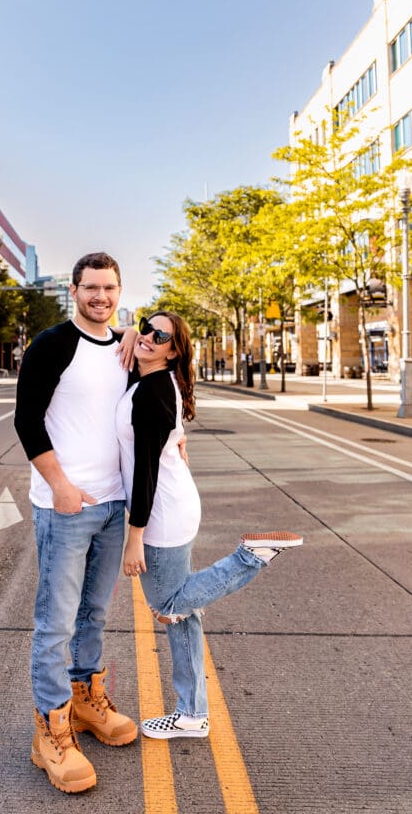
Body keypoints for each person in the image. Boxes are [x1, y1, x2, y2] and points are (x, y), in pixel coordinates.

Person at [117, 311, 303, 740]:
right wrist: (130, 331)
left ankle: (248, 558)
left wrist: (135, 537)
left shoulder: (152, 391)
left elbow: (145, 470)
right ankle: (192, 715)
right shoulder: (152, 383)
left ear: (174, 350)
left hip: (162, 512)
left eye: (158, 334)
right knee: (182, 614)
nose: (147, 335)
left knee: (168, 608)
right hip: (174, 502)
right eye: (146, 325)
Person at [14, 252, 138, 794]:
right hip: (65, 506)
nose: (101, 297)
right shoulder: (51, 345)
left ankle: (86, 701)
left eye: (109, 288)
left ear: (118, 290)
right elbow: (26, 418)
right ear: (74, 290)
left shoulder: (127, 347)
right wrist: (62, 488)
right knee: (56, 620)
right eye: (91, 288)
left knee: (94, 614)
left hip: (114, 505)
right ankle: (50, 728)